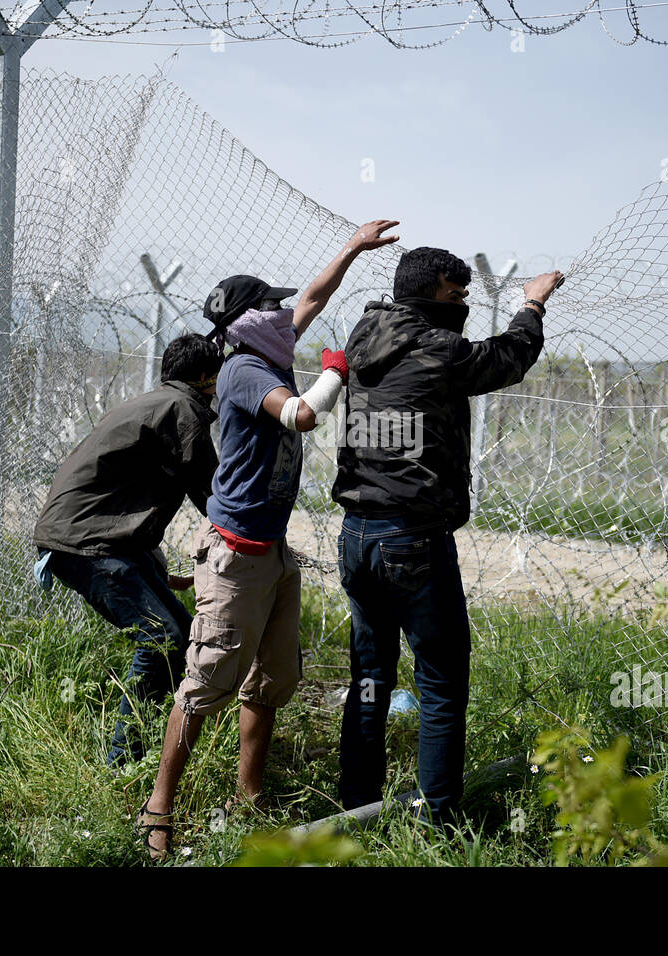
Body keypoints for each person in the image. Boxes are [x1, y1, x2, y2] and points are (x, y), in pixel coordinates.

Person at [136, 219, 401, 860]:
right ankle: (157, 809)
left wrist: (350, 250)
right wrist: (335, 370)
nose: (285, 312)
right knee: (205, 685)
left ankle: (247, 797)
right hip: (236, 557)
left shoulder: (269, 352)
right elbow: (304, 415)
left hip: (273, 554)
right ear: (245, 321)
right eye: (270, 305)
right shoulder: (245, 373)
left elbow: (309, 300)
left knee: (270, 680)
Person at [331, 245, 563, 828]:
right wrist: (531, 304)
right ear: (432, 289)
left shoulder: (365, 336)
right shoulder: (436, 349)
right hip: (411, 539)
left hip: (357, 533)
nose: (462, 304)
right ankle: (440, 823)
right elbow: (507, 358)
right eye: (456, 294)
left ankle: (355, 806)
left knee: (370, 676)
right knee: (439, 684)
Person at [32, 332, 223, 766]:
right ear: (203, 376)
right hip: (87, 543)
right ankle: (122, 760)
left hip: (93, 537)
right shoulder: (184, 410)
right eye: (219, 374)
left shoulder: (158, 402)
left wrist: (155, 571)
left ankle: (149, 744)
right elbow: (212, 495)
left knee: (181, 633)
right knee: (161, 637)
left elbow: (125, 496)